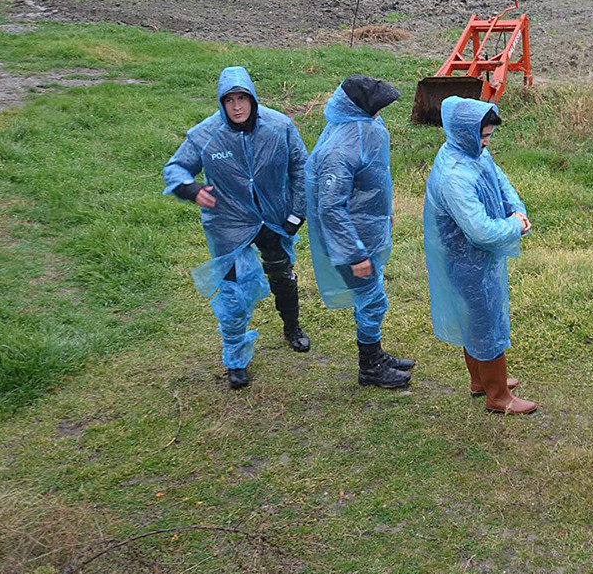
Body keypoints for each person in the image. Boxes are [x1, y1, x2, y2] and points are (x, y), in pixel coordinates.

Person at [163, 66, 309, 390]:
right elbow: (175, 168)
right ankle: (235, 359)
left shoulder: (279, 126)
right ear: (221, 103)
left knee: (283, 276)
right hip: (228, 223)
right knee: (231, 293)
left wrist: (298, 213)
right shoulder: (206, 134)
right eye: (230, 100)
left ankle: (292, 328)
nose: (237, 106)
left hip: (273, 217)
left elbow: (302, 167)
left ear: (253, 98)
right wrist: (190, 189)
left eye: (243, 98)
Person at [423, 97, 536, 415]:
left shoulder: (471, 152)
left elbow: (499, 180)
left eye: (488, 136)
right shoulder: (455, 176)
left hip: (477, 259)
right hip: (466, 260)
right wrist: (514, 227)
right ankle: (498, 396)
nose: (486, 143)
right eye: (483, 136)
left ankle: (480, 381)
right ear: (465, 133)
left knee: (475, 319)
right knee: (484, 323)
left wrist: (516, 209)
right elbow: (481, 232)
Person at [305, 75, 415, 390]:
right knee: (371, 298)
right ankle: (369, 367)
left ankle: (375, 354)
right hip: (352, 240)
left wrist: (386, 212)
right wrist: (353, 253)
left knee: (372, 297)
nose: (380, 114)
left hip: (366, 229)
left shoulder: (361, 129)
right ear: (358, 108)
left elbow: (372, 179)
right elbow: (330, 208)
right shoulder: (340, 147)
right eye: (377, 109)